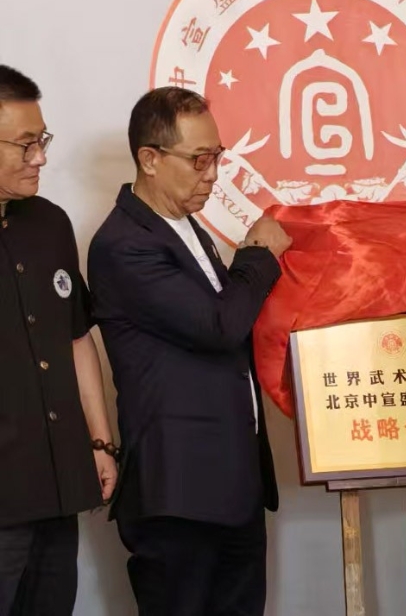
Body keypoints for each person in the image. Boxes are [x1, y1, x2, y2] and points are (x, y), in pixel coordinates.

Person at [87, 88, 291, 616]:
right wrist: (258, 255)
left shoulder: (182, 226)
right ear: (149, 159)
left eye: (217, 157)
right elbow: (218, 326)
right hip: (179, 492)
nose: (212, 174)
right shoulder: (124, 244)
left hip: (233, 484)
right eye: (199, 160)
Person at [0, 65, 117, 616]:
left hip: (56, 485)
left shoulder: (49, 224)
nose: (40, 158)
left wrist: (99, 441)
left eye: (41, 141)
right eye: (25, 145)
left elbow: (75, 339)